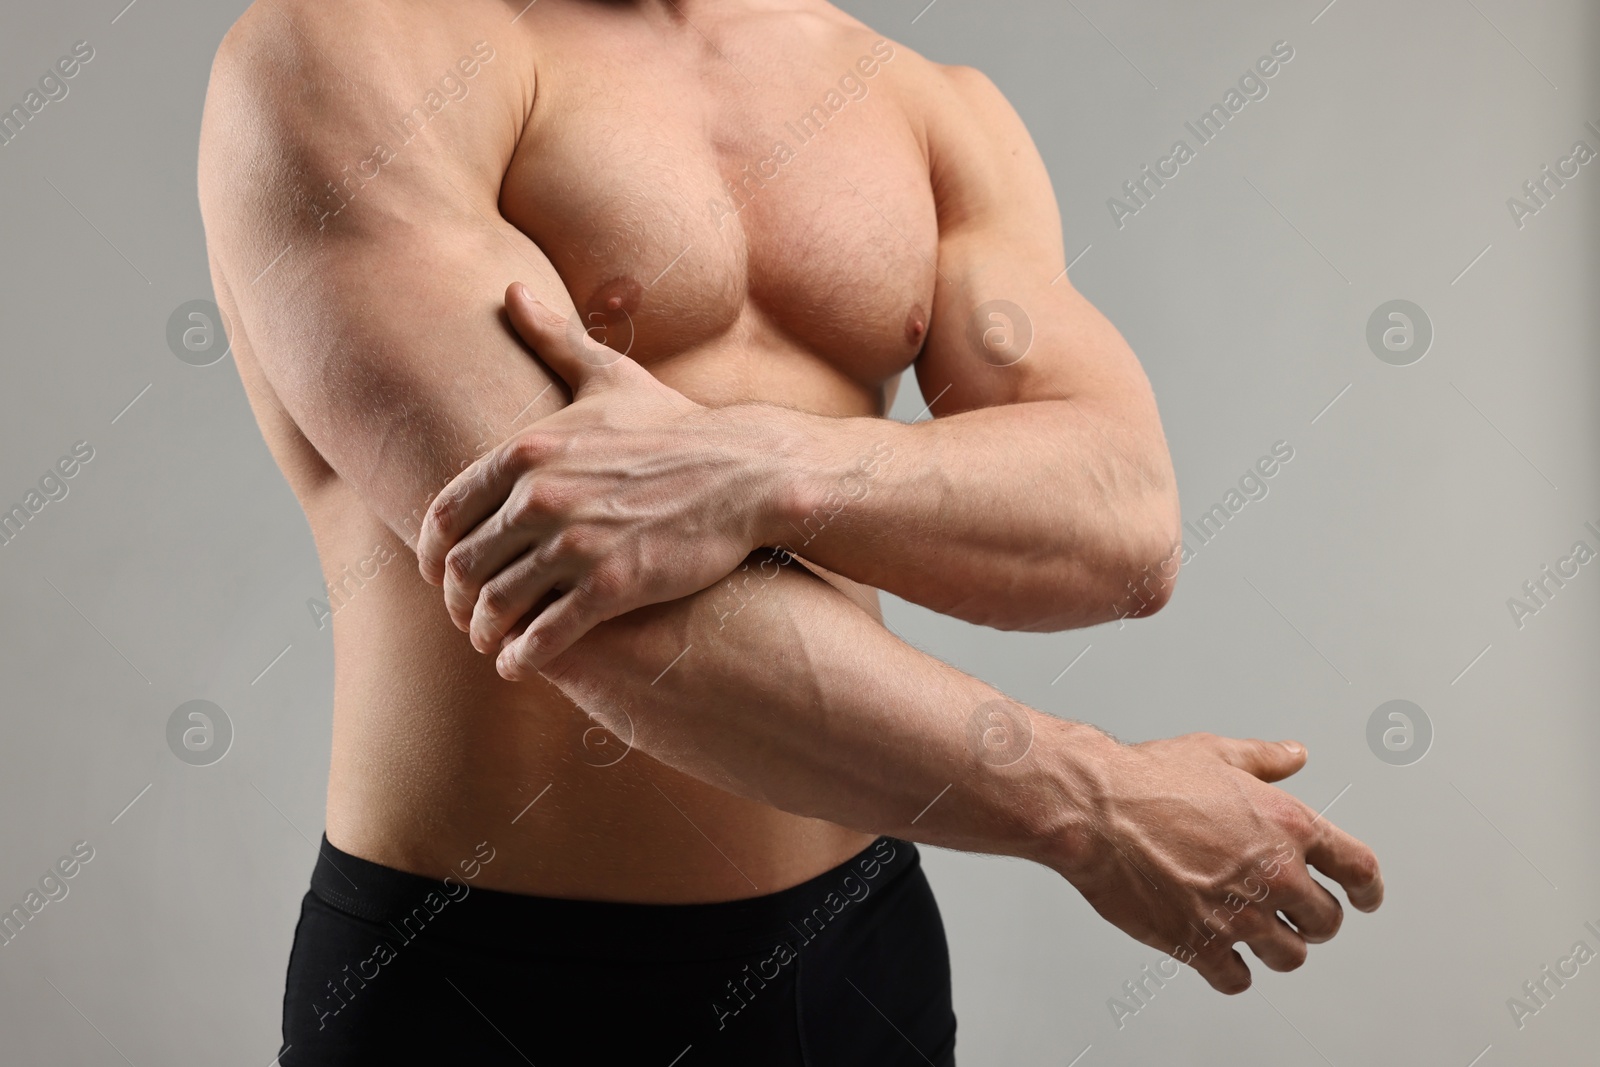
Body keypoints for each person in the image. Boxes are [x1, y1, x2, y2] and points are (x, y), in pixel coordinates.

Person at [197, 1, 1383, 1063]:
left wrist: (749, 464)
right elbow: (573, 592)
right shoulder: (351, 49)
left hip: (858, 957)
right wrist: (1091, 798)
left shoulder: (921, 104)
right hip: (490, 978)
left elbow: (1119, 520)